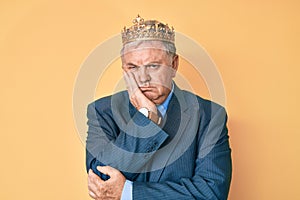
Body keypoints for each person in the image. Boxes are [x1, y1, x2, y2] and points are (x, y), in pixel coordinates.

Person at [86, 15, 232, 200]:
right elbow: (101, 181)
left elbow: (211, 193)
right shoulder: (102, 111)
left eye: (153, 66)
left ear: (174, 65)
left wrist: (129, 192)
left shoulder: (209, 115)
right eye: (132, 67)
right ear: (124, 70)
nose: (143, 78)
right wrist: (145, 117)